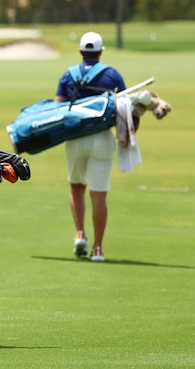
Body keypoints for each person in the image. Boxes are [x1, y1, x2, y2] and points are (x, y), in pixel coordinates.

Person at [54, 31, 126, 262]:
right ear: (101, 51)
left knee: (76, 187)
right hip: (102, 139)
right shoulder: (112, 75)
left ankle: (80, 234)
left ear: (81, 52)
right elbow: (124, 108)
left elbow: (58, 110)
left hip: (75, 138)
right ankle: (97, 249)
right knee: (99, 194)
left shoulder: (68, 75)